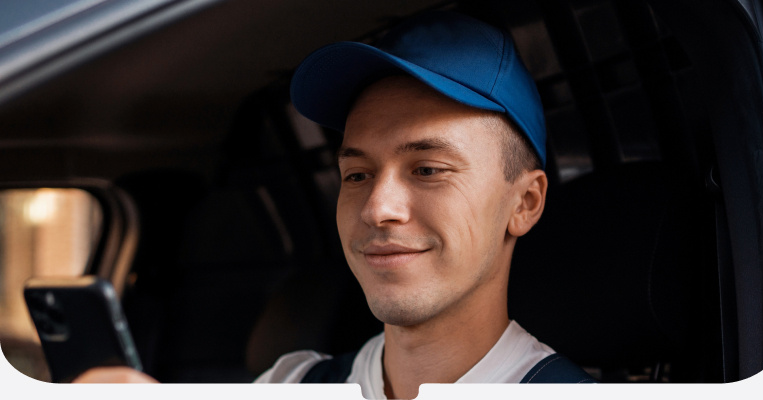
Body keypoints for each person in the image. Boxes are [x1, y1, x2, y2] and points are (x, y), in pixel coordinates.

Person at [73, 11, 595, 396]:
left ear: (524, 203)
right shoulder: (294, 382)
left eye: (429, 170)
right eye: (358, 174)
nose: (377, 207)